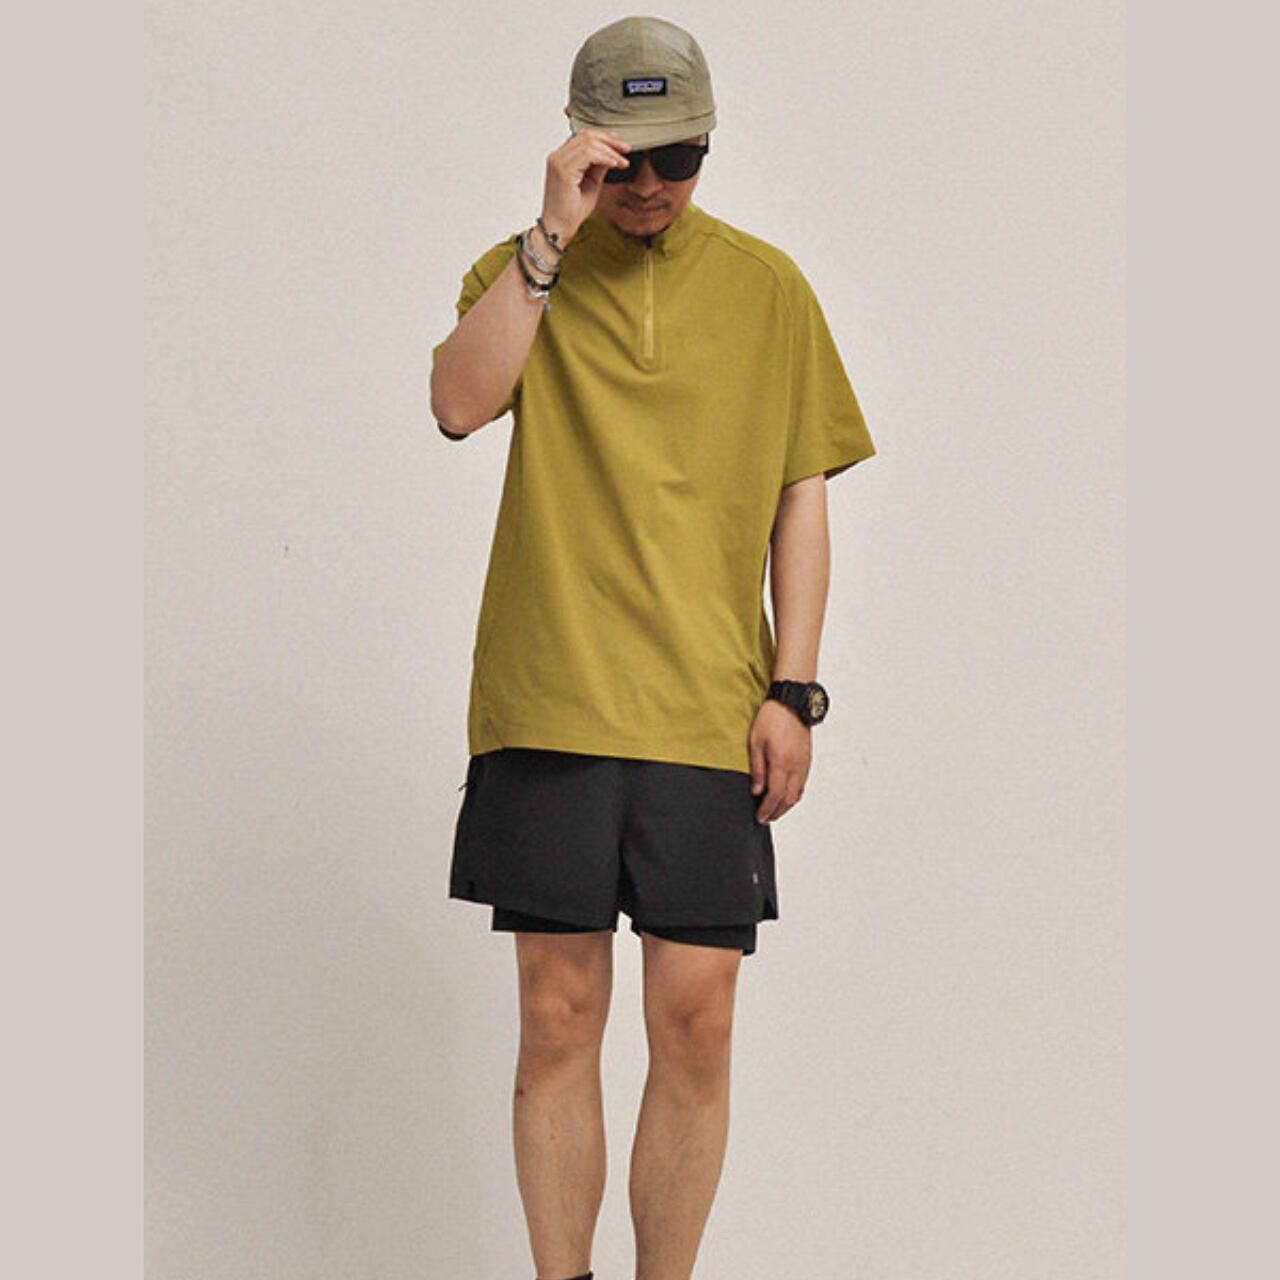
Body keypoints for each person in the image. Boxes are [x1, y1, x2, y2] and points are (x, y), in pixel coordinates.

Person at [429, 16, 876, 1280]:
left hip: (705, 705)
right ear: (581, 148)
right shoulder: (520, 271)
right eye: (627, 161)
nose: (652, 187)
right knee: (557, 1016)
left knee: (696, 1023)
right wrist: (546, 240)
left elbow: (799, 494)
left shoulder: (768, 288)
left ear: (707, 145)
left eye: (678, 158)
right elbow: (457, 403)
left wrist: (793, 688)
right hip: (550, 695)